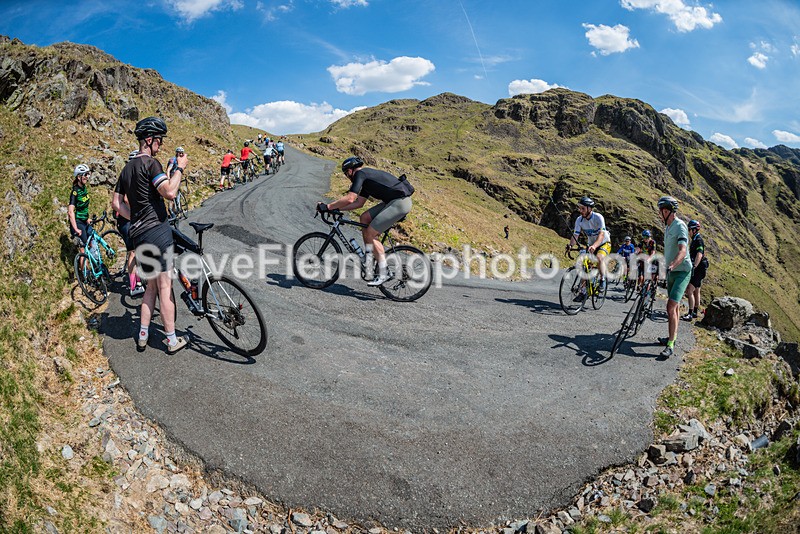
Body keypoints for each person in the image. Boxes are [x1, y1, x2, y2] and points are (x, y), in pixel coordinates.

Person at [112, 116, 189, 354]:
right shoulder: (151, 163)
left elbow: (116, 204)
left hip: (139, 235)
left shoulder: (126, 169)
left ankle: (143, 335)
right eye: (159, 140)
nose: (161, 145)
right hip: (157, 231)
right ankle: (172, 339)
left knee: (151, 288)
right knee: (165, 287)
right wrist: (179, 169)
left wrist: (135, 216)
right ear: (149, 139)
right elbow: (170, 192)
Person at [317, 156, 414, 286]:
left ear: (350, 170)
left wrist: (328, 207)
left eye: (346, 173)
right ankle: (368, 258)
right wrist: (336, 209)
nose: (347, 176)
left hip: (400, 203)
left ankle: (384, 272)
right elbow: (359, 203)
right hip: (393, 202)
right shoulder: (366, 178)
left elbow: (351, 198)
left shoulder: (360, 174)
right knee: (364, 218)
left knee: (371, 233)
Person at [656, 196, 692, 359]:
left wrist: (672, 265)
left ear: (667, 211)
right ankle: (672, 336)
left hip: (682, 271)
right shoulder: (668, 227)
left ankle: (670, 344)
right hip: (671, 270)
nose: (659, 214)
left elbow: (682, 250)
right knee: (674, 307)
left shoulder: (680, 226)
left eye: (661, 211)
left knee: (670, 306)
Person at [565, 196, 611, 301]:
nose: (580, 211)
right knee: (584, 266)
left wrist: (595, 246)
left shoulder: (598, 217)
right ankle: (583, 292)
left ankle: (602, 279)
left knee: (599, 258)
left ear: (589, 209)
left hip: (604, 243)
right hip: (591, 244)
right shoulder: (579, 220)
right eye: (579, 208)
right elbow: (575, 235)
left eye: (583, 209)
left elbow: (601, 234)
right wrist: (570, 245)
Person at [114, 150, 144, 297]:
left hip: (130, 219)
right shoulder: (129, 177)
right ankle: (133, 285)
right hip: (125, 221)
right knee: (132, 252)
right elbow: (125, 200)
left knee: (138, 250)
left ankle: (138, 279)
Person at [682, 219, 708, 321]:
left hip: (699, 269)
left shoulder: (698, 240)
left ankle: (690, 313)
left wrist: (694, 266)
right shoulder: (695, 239)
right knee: (697, 290)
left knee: (689, 290)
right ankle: (695, 312)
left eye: (689, 229)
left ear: (694, 230)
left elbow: (699, 253)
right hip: (700, 268)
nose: (688, 232)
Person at [68, 164, 91, 254]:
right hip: (78, 222)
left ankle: (94, 267)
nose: (87, 177)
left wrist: (87, 218)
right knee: (83, 249)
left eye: (88, 174)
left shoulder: (84, 188)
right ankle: (84, 268)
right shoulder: (75, 192)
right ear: (79, 177)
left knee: (92, 244)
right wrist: (76, 229)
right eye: (85, 175)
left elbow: (84, 207)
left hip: (85, 221)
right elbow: (70, 212)